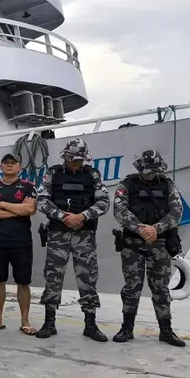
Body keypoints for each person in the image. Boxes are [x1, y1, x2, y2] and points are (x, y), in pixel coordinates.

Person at [36, 138, 110, 342]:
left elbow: (104, 202)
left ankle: (90, 323)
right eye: (73, 159)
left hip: (84, 234)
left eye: (80, 160)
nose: (77, 163)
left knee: (87, 277)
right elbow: (41, 200)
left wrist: (83, 216)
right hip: (58, 233)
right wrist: (63, 216)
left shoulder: (92, 175)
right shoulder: (53, 173)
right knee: (53, 276)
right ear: (66, 157)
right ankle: (49, 322)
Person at [112, 150, 186, 347]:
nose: (149, 175)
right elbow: (119, 210)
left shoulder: (168, 185)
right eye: (145, 171)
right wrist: (139, 228)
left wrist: (156, 229)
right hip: (132, 244)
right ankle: (127, 328)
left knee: (160, 288)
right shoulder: (127, 184)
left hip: (159, 243)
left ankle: (166, 330)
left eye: (152, 172)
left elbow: (177, 211)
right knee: (131, 287)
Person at [0, 153, 37, 335]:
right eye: (6, 163)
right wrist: (17, 210)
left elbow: (30, 209)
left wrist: (3, 204)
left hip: (21, 240)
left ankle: (25, 321)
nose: (10, 165)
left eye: (13, 163)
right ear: (1, 166)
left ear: (19, 166)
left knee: (23, 281)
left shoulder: (28, 187)